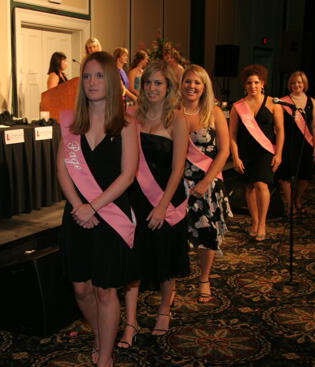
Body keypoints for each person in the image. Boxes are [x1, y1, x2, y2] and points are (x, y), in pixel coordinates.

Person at [57, 51, 138, 367]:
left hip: (111, 214)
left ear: (112, 81)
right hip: (77, 214)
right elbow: (62, 169)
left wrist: (94, 206)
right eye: (87, 76)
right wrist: (80, 206)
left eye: (99, 76)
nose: (92, 82)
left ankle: (105, 354)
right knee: (80, 288)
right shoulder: (70, 122)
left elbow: (128, 174)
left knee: (106, 290)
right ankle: (101, 335)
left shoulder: (127, 123)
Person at [117, 60, 189, 348]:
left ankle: (163, 311)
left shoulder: (178, 120)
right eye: (148, 83)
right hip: (134, 200)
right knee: (132, 264)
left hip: (165, 201)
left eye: (158, 83)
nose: (152, 88)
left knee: (165, 261)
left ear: (169, 87)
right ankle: (130, 322)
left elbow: (178, 169)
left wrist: (162, 206)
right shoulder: (131, 115)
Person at [180, 65, 232, 303]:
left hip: (207, 184)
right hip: (176, 183)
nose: (191, 86)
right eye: (188, 81)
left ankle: (204, 279)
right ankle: (171, 281)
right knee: (176, 235)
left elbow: (224, 152)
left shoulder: (215, 113)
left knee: (206, 233)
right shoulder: (172, 112)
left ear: (204, 87)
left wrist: (205, 182)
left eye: (197, 82)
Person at [229, 64, 284, 241]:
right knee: (250, 187)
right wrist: (236, 157)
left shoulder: (273, 104)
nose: (253, 86)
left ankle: (262, 224)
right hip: (246, 152)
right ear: (245, 85)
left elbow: (280, 130)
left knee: (262, 184)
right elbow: (233, 134)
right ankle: (254, 221)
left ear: (263, 84)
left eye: (256, 82)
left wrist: (279, 154)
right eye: (249, 83)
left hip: (266, 151)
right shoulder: (238, 106)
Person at [277, 71, 315, 214]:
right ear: (290, 84)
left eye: (299, 82)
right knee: (286, 175)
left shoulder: (312, 102)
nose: (297, 85)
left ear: (304, 84)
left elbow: (314, 125)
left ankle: (297, 199)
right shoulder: (283, 102)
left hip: (306, 143)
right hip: (287, 143)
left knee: (305, 174)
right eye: (294, 82)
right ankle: (289, 204)